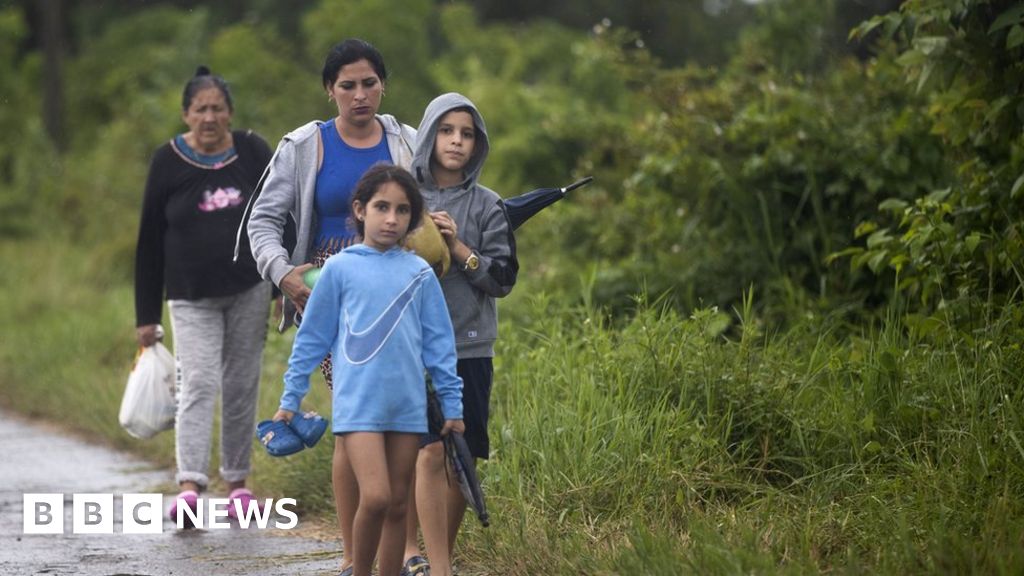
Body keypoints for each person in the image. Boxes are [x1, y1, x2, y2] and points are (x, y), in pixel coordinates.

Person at [242, 37, 418, 572]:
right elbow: (263, 222)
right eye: (348, 85)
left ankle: (406, 550)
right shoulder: (303, 145)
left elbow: (434, 202)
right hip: (330, 289)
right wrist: (284, 275)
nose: (360, 95)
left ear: (383, 85)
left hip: (398, 289)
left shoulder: (407, 141)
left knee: (401, 413)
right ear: (329, 91)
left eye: (369, 83)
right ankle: (351, 554)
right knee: (354, 414)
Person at [272, 164, 465, 576]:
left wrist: (452, 405)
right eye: (382, 207)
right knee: (375, 497)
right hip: (357, 405)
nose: (391, 219)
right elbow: (312, 340)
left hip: (407, 409)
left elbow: (440, 346)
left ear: (413, 218)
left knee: (398, 504)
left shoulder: (419, 274)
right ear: (360, 210)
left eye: (402, 210)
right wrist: (290, 399)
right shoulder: (340, 269)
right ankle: (357, 568)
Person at [134, 66, 273, 524]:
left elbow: (280, 212)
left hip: (250, 289)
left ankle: (238, 484)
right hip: (190, 295)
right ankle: (190, 484)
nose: (209, 117)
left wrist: (284, 278)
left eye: (217, 108)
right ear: (185, 114)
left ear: (230, 112)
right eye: (200, 109)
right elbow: (150, 240)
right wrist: (145, 316)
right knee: (197, 383)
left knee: (241, 384)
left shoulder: (253, 150)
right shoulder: (167, 160)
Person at [401, 93, 519, 576]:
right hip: (409, 347)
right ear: (429, 135)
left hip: (468, 347)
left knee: (458, 458)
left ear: (478, 143)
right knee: (423, 451)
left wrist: (457, 246)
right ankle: (415, 555)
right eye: (447, 131)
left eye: (466, 133)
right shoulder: (402, 195)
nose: (456, 141)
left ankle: (439, 560)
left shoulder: (489, 205)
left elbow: (503, 279)